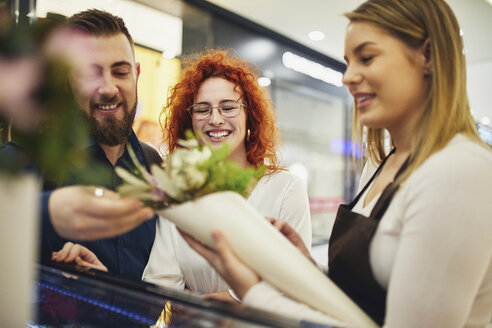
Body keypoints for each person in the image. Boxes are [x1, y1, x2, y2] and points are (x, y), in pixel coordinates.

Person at [183, 0, 492, 326]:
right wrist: (307, 269)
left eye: (367, 58)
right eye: (348, 62)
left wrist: (253, 293)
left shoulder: (458, 171)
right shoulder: (381, 164)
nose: (349, 77)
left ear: (427, 56)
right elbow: (364, 302)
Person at [140, 50, 312, 302]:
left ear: (249, 116)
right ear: (190, 123)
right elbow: (160, 285)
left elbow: (296, 284)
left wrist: (224, 301)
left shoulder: (285, 189)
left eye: (228, 107)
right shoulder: (178, 193)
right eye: (202, 109)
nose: (216, 119)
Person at [41, 9, 161, 281]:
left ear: (137, 74)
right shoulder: (38, 162)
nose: (108, 88)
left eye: (120, 72)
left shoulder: (153, 165)